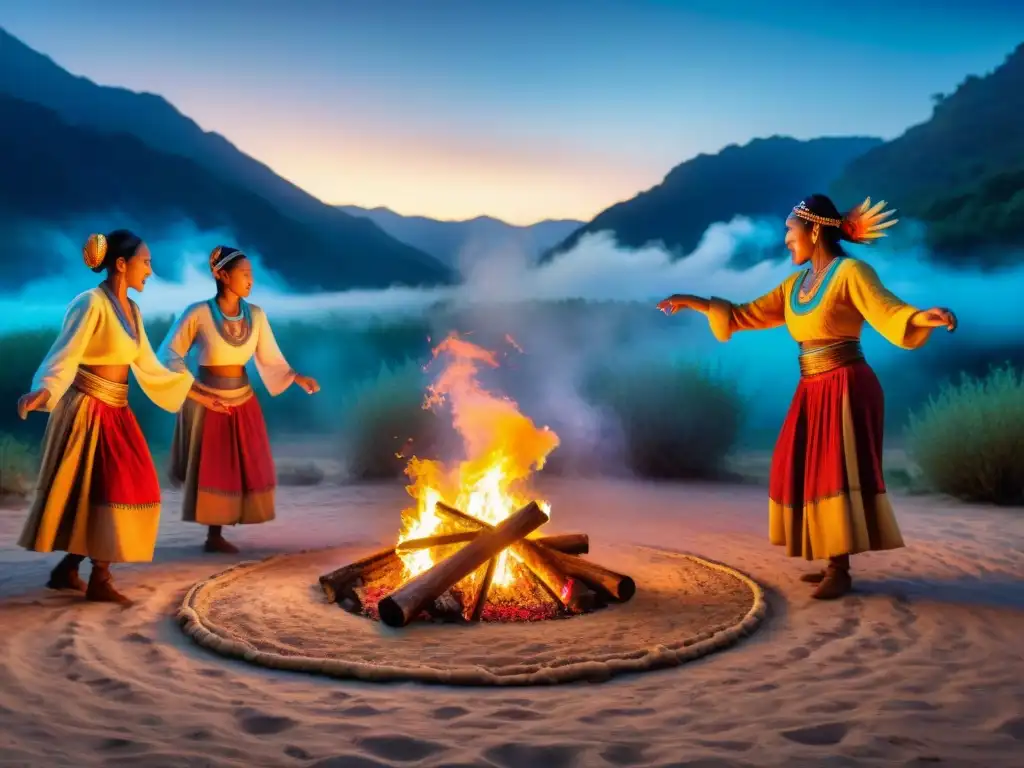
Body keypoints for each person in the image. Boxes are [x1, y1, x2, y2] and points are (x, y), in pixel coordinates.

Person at [657, 194, 957, 600]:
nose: (785, 239)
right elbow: (746, 314)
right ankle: (831, 559)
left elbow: (887, 311)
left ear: (814, 230)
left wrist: (923, 317)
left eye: (790, 230)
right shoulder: (796, 286)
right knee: (798, 465)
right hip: (812, 387)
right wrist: (691, 301)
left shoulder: (851, 271)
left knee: (837, 471)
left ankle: (840, 568)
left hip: (847, 384)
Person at [16, 230, 226, 604]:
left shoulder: (132, 309)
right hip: (87, 409)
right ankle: (100, 578)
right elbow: (64, 354)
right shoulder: (90, 303)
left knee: (122, 490)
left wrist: (199, 394)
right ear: (121, 264)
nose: (150, 270)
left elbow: (148, 365)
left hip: (117, 408)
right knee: (105, 493)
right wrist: (44, 390)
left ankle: (69, 569)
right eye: (145, 262)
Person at [157, 246, 319, 554]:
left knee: (240, 466)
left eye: (252, 274)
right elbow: (168, 354)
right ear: (222, 275)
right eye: (244, 274)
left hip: (242, 398)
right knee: (214, 466)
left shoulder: (255, 315)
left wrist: (296, 378)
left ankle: (221, 528)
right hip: (209, 400)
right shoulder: (198, 313)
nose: (250, 280)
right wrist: (192, 389)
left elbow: (270, 358)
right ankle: (213, 535)